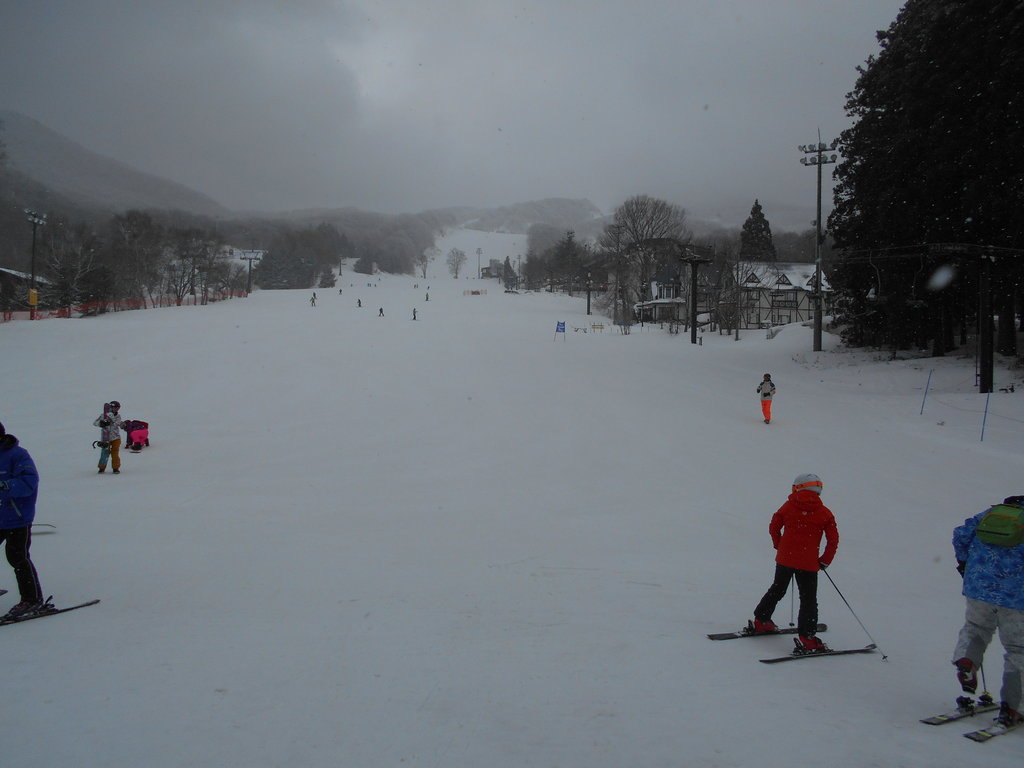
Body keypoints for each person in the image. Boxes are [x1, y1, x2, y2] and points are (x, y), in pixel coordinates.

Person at [951, 496, 1024, 726]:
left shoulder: (992, 513)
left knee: (976, 627)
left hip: (978, 585)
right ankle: (1013, 707)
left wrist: (965, 564)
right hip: (1016, 596)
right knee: (1018, 649)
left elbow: (961, 534)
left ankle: (967, 661)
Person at [751, 473, 839, 650]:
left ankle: (761, 619)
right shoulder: (824, 513)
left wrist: (780, 546)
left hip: (785, 558)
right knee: (808, 599)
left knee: (777, 588)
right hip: (808, 564)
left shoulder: (788, 506)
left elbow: (774, 526)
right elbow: (833, 540)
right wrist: (825, 560)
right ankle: (807, 637)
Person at [0, 421, 45, 618]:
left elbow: (29, 482)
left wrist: (5, 485)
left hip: (17, 517)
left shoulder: (17, 455)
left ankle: (31, 599)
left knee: (17, 556)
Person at [93, 401, 124, 474]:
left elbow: (116, 423)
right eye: (115, 408)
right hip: (106, 438)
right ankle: (101, 468)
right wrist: (101, 423)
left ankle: (115, 468)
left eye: (118, 408)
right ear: (111, 407)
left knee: (115, 453)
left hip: (116, 438)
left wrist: (110, 421)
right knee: (104, 453)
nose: (117, 409)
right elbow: (95, 423)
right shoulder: (103, 415)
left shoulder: (118, 416)